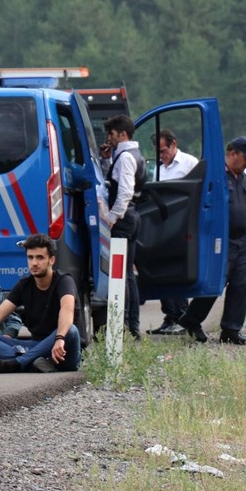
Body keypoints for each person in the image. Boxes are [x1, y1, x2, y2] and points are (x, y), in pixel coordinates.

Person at [178, 137, 246, 345]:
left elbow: (245, 207)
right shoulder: (214, 177)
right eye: (244, 158)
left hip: (243, 238)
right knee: (216, 283)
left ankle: (231, 330)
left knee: (243, 283)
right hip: (221, 240)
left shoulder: (244, 179)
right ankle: (192, 319)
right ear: (232, 154)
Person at [0, 234, 81, 373]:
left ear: (51, 260)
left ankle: (18, 363)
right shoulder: (24, 285)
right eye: (30, 257)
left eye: (40, 257)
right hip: (34, 346)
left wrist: (59, 339)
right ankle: (34, 362)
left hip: (62, 349)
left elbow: (67, 310)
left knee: (71, 330)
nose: (34, 263)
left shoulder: (64, 281)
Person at [147, 129, 198, 336]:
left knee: (178, 270)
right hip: (163, 225)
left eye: (164, 150)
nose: (162, 155)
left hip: (183, 225)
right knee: (163, 270)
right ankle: (169, 316)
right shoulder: (159, 169)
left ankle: (182, 315)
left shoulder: (189, 164)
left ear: (174, 144)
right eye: (158, 153)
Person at [102, 115, 146, 340]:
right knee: (128, 272)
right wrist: (108, 160)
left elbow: (125, 191)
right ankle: (132, 326)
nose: (108, 138)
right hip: (132, 216)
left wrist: (110, 217)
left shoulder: (127, 157)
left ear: (122, 134)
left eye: (111, 133)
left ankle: (126, 325)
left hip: (124, 218)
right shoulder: (131, 155)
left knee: (121, 273)